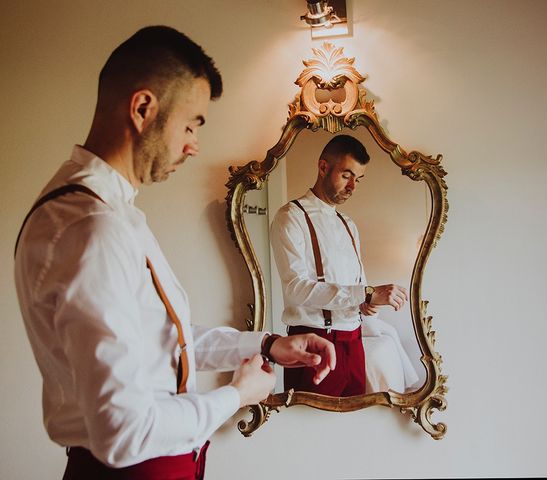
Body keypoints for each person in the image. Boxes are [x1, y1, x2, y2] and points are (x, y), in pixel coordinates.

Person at [13, 26, 336, 480]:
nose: (193, 145)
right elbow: (122, 432)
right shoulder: (92, 228)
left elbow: (163, 342)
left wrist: (267, 345)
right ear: (143, 108)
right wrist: (236, 396)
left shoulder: (112, 215)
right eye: (190, 124)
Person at [270, 134, 409, 397]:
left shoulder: (349, 225)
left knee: (353, 432)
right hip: (313, 343)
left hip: (354, 343)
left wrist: (373, 303)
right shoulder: (291, 217)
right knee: (312, 433)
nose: (353, 186)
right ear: (323, 167)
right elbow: (295, 289)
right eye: (347, 175)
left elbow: (359, 293)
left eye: (359, 178)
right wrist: (367, 293)